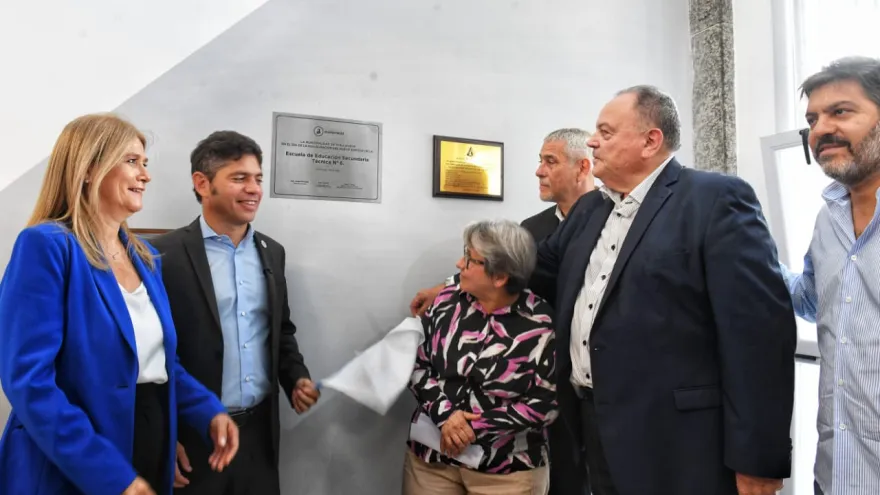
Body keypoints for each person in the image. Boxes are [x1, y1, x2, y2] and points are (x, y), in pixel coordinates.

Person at [531, 85, 796, 495]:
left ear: (650, 141)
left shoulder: (714, 199)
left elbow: (758, 338)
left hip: (679, 442)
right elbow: (531, 269)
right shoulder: (590, 210)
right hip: (594, 426)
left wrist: (758, 459)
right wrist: (451, 285)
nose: (592, 141)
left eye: (605, 131)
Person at [0, 114, 239, 495]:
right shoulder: (46, 246)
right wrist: (110, 474)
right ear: (90, 168)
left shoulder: (143, 257)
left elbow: (159, 363)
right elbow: (29, 382)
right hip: (74, 460)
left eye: (145, 163)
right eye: (132, 161)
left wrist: (208, 411)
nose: (145, 175)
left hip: (145, 444)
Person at [411, 128, 594, 495]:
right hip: (531, 378)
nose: (538, 171)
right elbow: (498, 271)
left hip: (584, 374)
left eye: (550, 161)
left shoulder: (608, 221)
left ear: (582, 167)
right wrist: (448, 287)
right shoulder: (533, 229)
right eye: (540, 161)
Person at [152, 130, 319, 495]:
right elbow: (152, 355)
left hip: (259, 437)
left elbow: (280, 332)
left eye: (258, 178)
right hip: (194, 439)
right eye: (239, 178)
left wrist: (296, 378)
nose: (254, 189)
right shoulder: (162, 255)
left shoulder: (272, 253)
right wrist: (166, 436)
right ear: (202, 183)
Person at [780, 56, 880, 495]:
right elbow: (811, 300)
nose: (820, 130)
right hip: (836, 473)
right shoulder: (829, 217)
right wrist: (744, 253)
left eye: (840, 111)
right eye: (812, 119)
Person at [403, 219, 558, 495]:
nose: (458, 264)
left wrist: (474, 428)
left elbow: (545, 404)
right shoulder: (446, 301)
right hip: (432, 462)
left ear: (499, 277)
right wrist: (447, 417)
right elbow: (417, 365)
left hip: (506, 472)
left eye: (469, 259)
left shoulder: (540, 324)